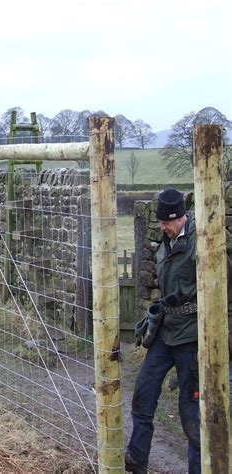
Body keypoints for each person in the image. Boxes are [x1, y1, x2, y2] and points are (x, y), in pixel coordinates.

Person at [126, 188, 201, 474]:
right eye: (160, 222)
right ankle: (137, 458)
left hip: (191, 337)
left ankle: (199, 468)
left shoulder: (200, 242)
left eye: (166, 222)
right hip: (166, 332)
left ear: (180, 217)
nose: (161, 227)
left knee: (191, 409)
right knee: (143, 391)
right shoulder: (166, 243)